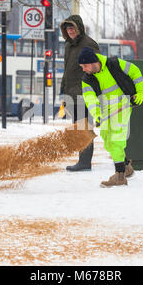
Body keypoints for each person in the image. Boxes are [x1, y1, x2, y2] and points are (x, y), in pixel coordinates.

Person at [78, 47, 143, 187]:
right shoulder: (87, 80)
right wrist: (97, 115)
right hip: (105, 110)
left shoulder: (114, 64)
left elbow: (135, 72)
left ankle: (120, 175)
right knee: (107, 139)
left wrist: (140, 92)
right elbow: (90, 100)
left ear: (93, 62)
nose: (83, 69)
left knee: (116, 138)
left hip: (122, 104)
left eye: (85, 66)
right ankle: (126, 166)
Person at [59, 15, 100, 172]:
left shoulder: (89, 44)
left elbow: (97, 68)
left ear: (79, 28)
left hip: (84, 92)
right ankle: (82, 159)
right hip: (71, 93)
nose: (70, 31)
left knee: (84, 127)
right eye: (67, 28)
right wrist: (63, 90)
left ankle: (84, 162)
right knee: (78, 127)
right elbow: (68, 69)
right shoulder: (69, 45)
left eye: (72, 28)